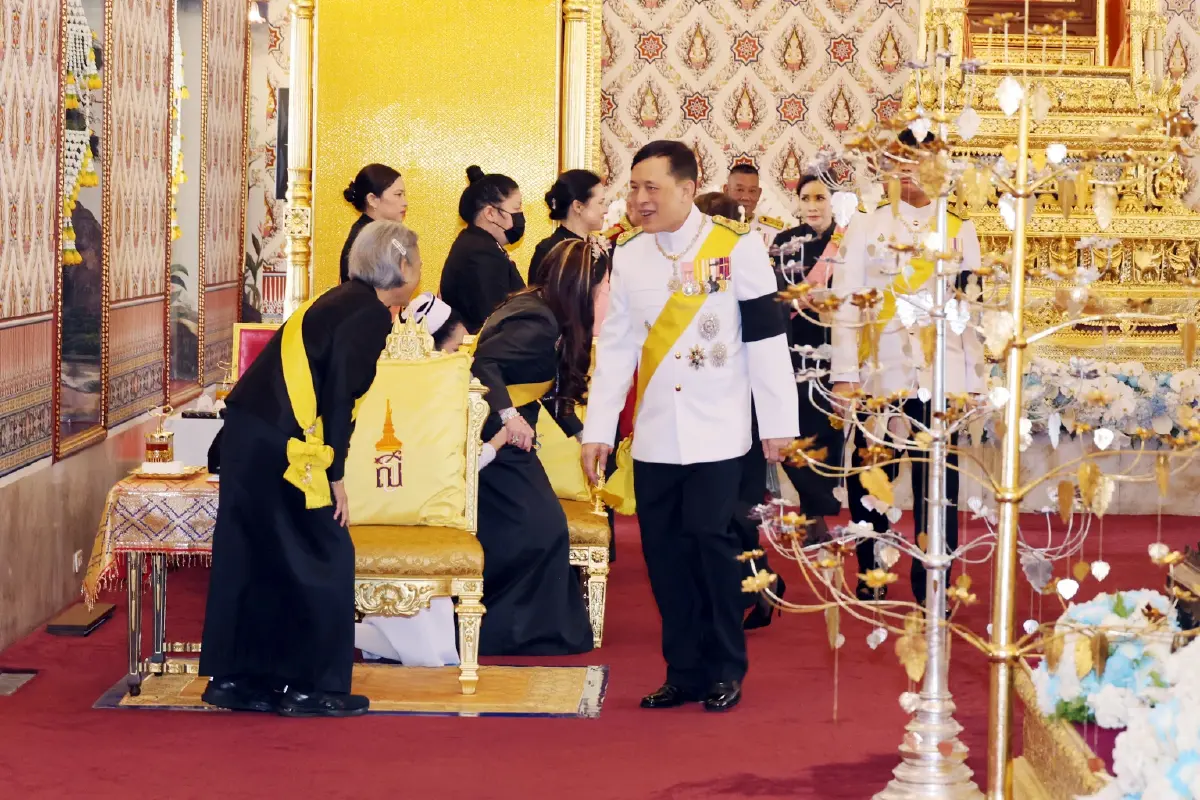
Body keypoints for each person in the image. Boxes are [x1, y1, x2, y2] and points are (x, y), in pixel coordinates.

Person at [581, 140, 798, 712]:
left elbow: (766, 339)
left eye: (651, 187)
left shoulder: (738, 248)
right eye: (632, 187)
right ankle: (683, 671)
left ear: (685, 188)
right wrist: (598, 428)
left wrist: (777, 422)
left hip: (721, 433)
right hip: (656, 435)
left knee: (714, 546)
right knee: (666, 555)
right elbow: (618, 348)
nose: (638, 199)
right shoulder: (628, 256)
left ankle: (726, 667)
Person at [200, 219, 421, 717]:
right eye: (418, 261)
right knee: (324, 553)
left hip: (250, 436)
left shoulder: (341, 299)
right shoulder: (369, 315)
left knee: (255, 555)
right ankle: (312, 688)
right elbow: (339, 397)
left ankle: (237, 680)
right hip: (282, 447)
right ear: (402, 265)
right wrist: (336, 476)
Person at [830, 128, 985, 603]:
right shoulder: (866, 226)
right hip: (883, 374)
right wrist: (844, 374)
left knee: (938, 485)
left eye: (920, 162)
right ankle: (871, 572)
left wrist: (975, 379)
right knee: (869, 475)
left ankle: (932, 584)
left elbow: (971, 311)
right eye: (900, 162)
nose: (909, 171)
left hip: (941, 376)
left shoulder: (960, 229)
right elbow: (846, 304)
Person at [470, 238, 602, 656]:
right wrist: (510, 418)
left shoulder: (548, 315)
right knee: (540, 530)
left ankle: (514, 628)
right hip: (491, 435)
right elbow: (482, 366)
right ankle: (505, 631)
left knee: (542, 529)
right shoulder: (537, 320)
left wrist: (585, 437)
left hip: (509, 432)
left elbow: (548, 390)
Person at [353, 292, 498, 666]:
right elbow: (461, 469)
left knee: (436, 651)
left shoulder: (380, 381)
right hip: (420, 518)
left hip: (410, 518)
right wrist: (499, 441)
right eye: (455, 350)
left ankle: (360, 636)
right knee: (428, 654)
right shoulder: (442, 395)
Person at [738, 174, 847, 630]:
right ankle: (814, 504)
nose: (813, 205)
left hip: (837, 351)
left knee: (828, 436)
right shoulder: (785, 241)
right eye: (806, 198)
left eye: (821, 197)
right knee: (797, 433)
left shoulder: (849, 239)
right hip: (792, 351)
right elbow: (775, 296)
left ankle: (817, 507)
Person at [439, 166, 526, 333]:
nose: (520, 216)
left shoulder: (479, 244)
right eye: (516, 209)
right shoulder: (481, 253)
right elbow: (493, 320)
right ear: (490, 213)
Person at [528, 169, 608, 287]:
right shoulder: (551, 251)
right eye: (600, 203)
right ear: (578, 206)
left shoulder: (597, 246)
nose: (606, 210)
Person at [339, 164, 407, 284]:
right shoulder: (366, 241)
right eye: (398, 195)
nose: (405, 202)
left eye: (404, 195)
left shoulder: (377, 233)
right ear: (372, 200)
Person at [723, 164, 785, 245]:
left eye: (752, 191)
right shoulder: (709, 228)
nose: (746, 197)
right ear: (726, 191)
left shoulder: (774, 232)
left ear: (759, 194)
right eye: (740, 189)